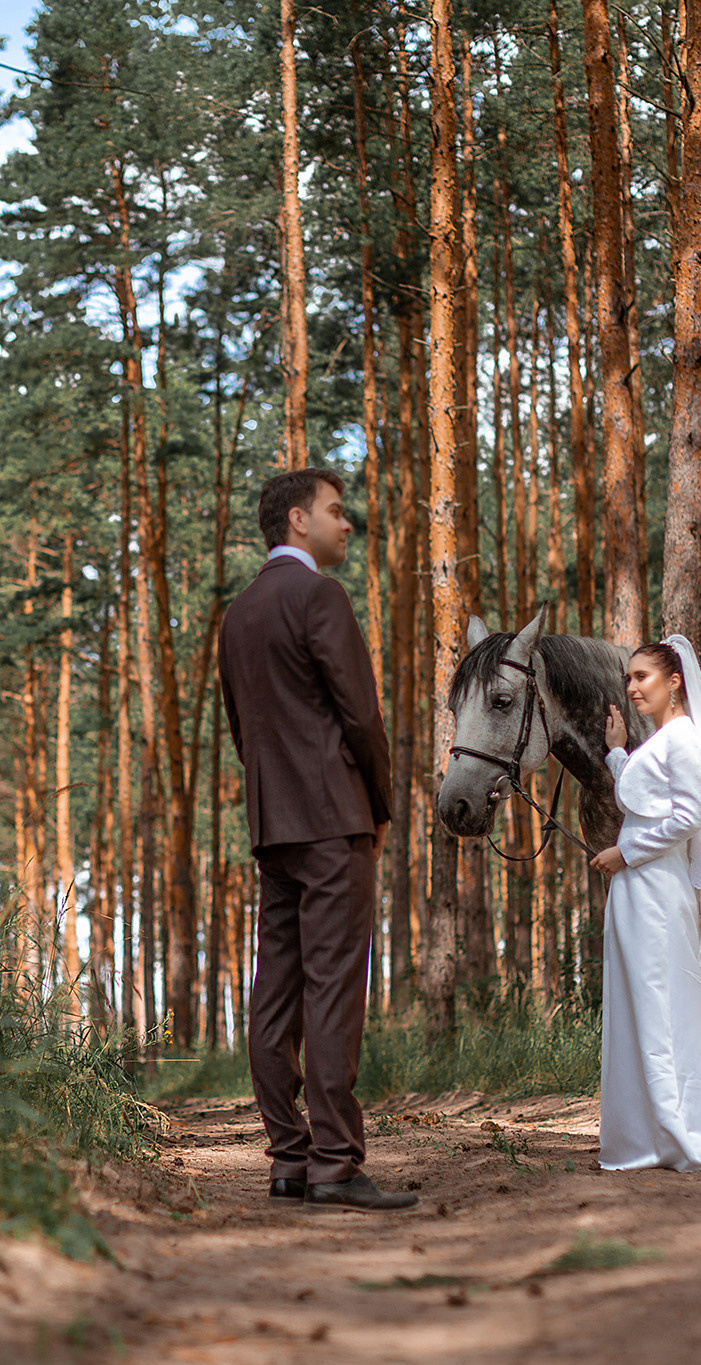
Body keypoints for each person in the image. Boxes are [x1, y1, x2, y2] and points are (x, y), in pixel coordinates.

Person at [218, 467, 415, 1212]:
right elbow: (360, 715)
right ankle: (335, 1159)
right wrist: (382, 803)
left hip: (275, 826)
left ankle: (288, 1158)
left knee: (276, 990)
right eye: (337, 511)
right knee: (334, 988)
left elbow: (245, 731)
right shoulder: (319, 596)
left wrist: (276, 800)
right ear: (298, 519)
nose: (348, 523)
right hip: (334, 821)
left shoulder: (238, 614)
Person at [587, 636, 701, 1172]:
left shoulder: (686, 739)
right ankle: (647, 1134)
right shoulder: (664, 740)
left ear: (674, 682)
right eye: (628, 678)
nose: (631, 686)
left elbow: (687, 819)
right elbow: (650, 803)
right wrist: (620, 753)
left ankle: (688, 1135)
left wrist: (625, 852)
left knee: (663, 1004)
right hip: (638, 889)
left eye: (642, 676)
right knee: (641, 1004)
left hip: (655, 886)